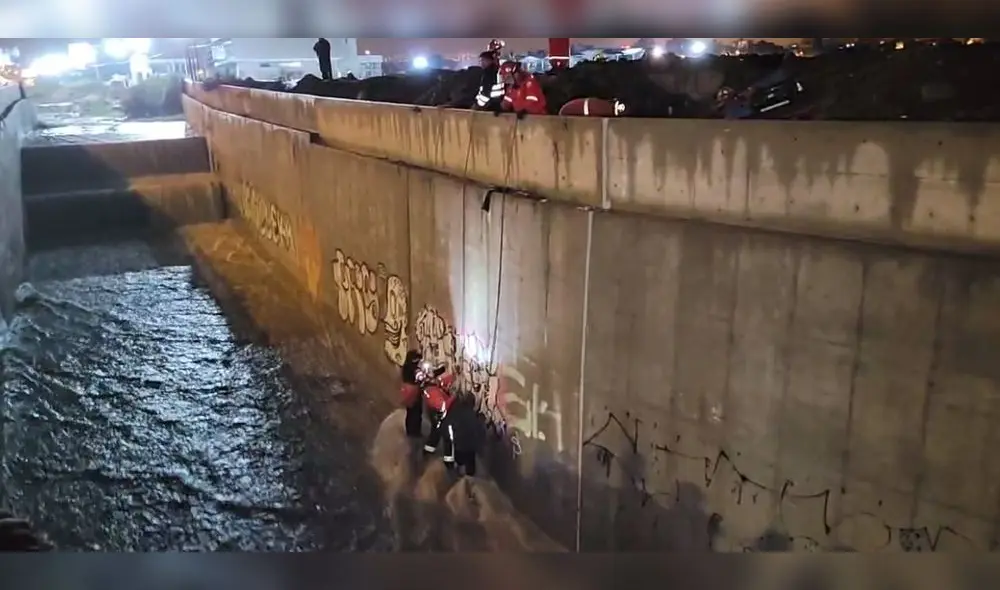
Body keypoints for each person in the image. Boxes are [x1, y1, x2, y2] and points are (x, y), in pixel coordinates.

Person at [400, 350, 425, 438]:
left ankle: (409, 431)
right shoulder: (415, 369)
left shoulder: (405, 367)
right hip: (414, 392)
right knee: (416, 412)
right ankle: (415, 432)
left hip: (407, 392)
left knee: (410, 412)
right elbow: (422, 378)